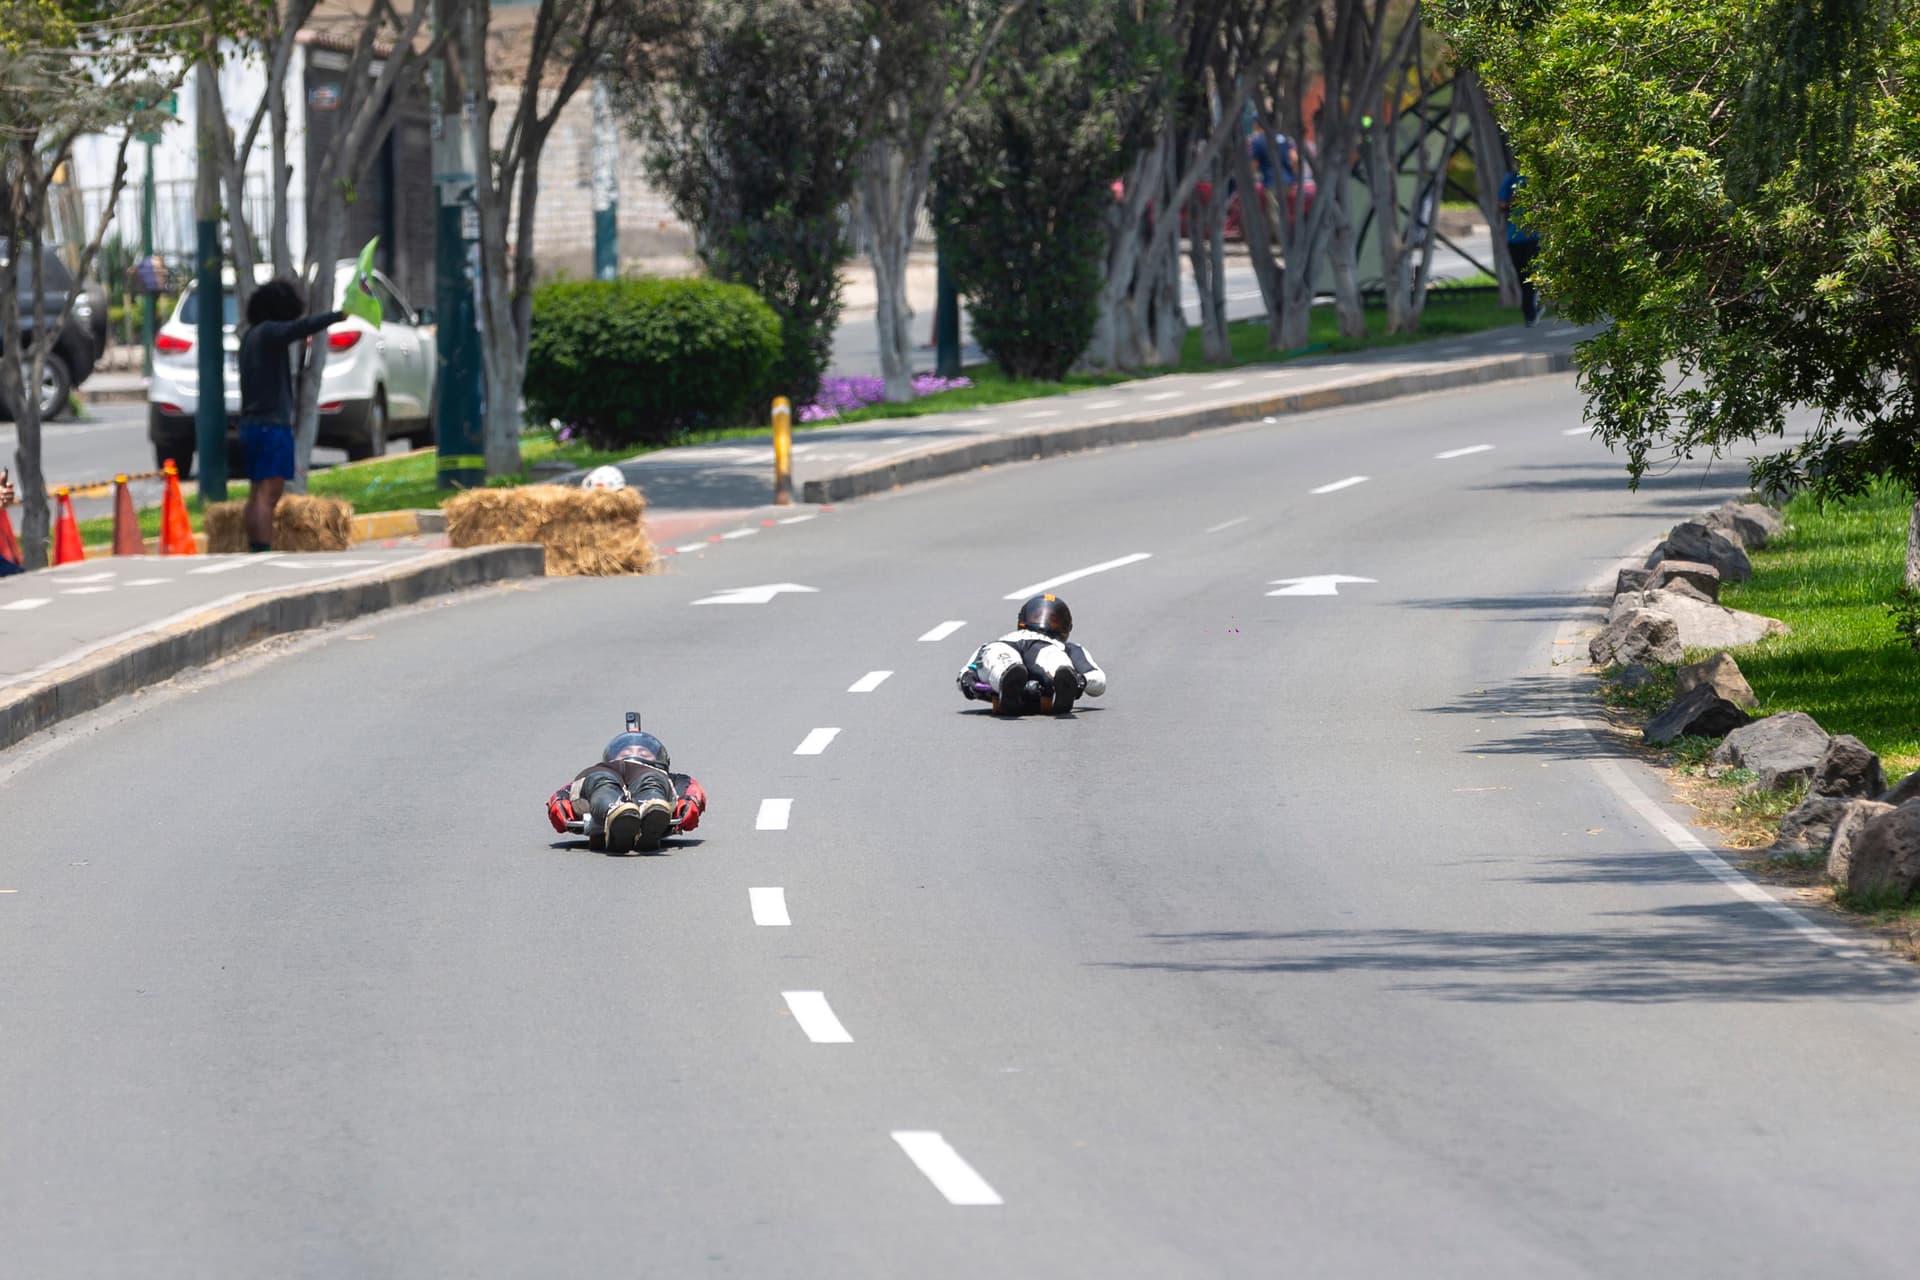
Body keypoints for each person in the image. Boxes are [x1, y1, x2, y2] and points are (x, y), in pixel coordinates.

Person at [238, 278, 344, 551]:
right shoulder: (270, 332)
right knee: (269, 495)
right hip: (271, 426)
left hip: (251, 425)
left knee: (256, 492)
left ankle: (254, 547)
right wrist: (338, 316)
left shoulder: (251, 335)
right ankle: (262, 549)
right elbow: (300, 327)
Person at [545, 716, 708, 853]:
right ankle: (616, 812)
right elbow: (564, 793)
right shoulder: (599, 770)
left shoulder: (669, 777)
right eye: (626, 751)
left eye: (643, 752)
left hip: (651, 777)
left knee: (652, 781)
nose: (634, 754)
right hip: (603, 777)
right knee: (600, 781)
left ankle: (650, 809)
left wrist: (690, 803)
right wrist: (558, 803)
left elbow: (693, 791)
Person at [956, 593, 1107, 715]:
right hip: (1007, 648)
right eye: (1037, 616)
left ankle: (1063, 684)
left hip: (1046, 650)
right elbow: (969, 668)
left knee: (1054, 657)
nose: (1045, 622)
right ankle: (1008, 683)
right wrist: (967, 679)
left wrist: (1081, 681)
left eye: (1053, 620)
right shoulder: (996, 644)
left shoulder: (1069, 648)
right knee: (999, 655)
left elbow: (1099, 679)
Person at [1498, 168, 1542, 327]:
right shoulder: (1511, 179)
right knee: (1523, 278)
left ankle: (1533, 309)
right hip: (1515, 238)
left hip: (1533, 237)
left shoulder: (1537, 176)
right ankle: (1530, 312)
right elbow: (1502, 204)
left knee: (1534, 274)